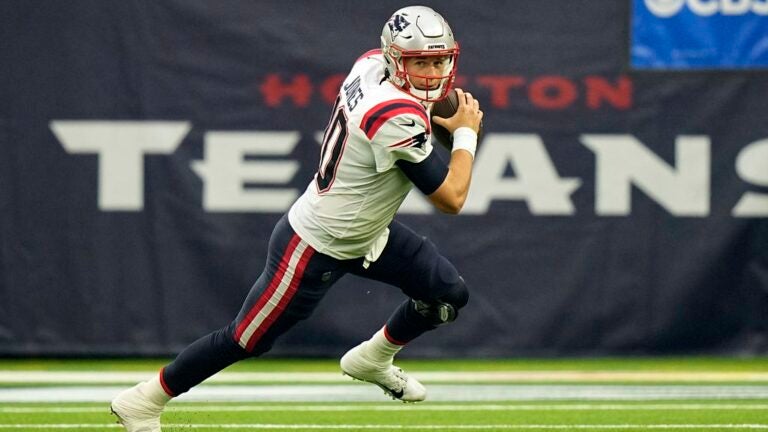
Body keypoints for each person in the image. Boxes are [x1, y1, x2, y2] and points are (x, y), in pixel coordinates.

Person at [110, 5, 483, 431]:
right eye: (421, 62)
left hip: (368, 232)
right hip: (316, 243)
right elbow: (452, 198)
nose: (433, 73)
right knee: (246, 339)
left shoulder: (370, 65)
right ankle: (144, 400)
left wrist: (439, 117)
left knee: (447, 295)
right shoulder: (392, 115)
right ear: (397, 60)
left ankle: (373, 358)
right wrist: (466, 133)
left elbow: (416, 111)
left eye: (439, 60)